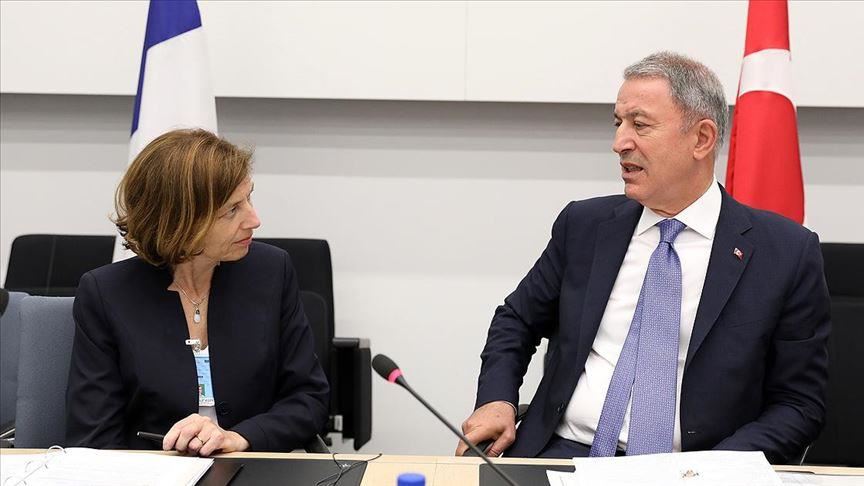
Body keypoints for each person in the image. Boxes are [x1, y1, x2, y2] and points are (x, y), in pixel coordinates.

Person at [457, 52, 830, 463]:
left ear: (701, 139)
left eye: (640, 124)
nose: (619, 143)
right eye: (618, 123)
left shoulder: (785, 252)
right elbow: (517, 319)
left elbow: (799, 404)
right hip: (564, 453)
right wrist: (496, 400)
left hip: (696, 468)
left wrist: (715, 469)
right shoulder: (585, 226)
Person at [66, 129, 329, 456]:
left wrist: (239, 438)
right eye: (232, 210)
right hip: (154, 473)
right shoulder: (107, 293)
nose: (254, 219)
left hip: (253, 466)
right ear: (182, 221)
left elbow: (308, 398)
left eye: (249, 198)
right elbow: (94, 438)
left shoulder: (271, 271)